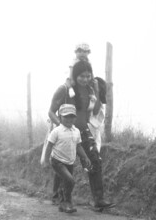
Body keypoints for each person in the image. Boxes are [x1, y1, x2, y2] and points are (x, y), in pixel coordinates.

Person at [48, 60, 115, 209]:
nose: (85, 79)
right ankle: (63, 200)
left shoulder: (90, 90)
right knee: (65, 164)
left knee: (95, 160)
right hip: (65, 133)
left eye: (88, 76)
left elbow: (96, 111)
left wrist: (97, 92)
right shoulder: (64, 90)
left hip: (83, 132)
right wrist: (62, 128)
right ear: (75, 75)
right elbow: (51, 112)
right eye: (81, 76)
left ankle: (98, 200)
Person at [42, 104, 90, 213]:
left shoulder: (76, 131)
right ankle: (67, 202)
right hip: (57, 161)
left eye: (71, 117)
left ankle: (62, 204)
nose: (69, 119)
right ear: (60, 117)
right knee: (70, 181)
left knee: (65, 182)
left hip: (70, 162)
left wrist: (85, 157)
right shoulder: (56, 131)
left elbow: (78, 146)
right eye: (66, 116)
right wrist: (45, 161)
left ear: (75, 118)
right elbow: (49, 146)